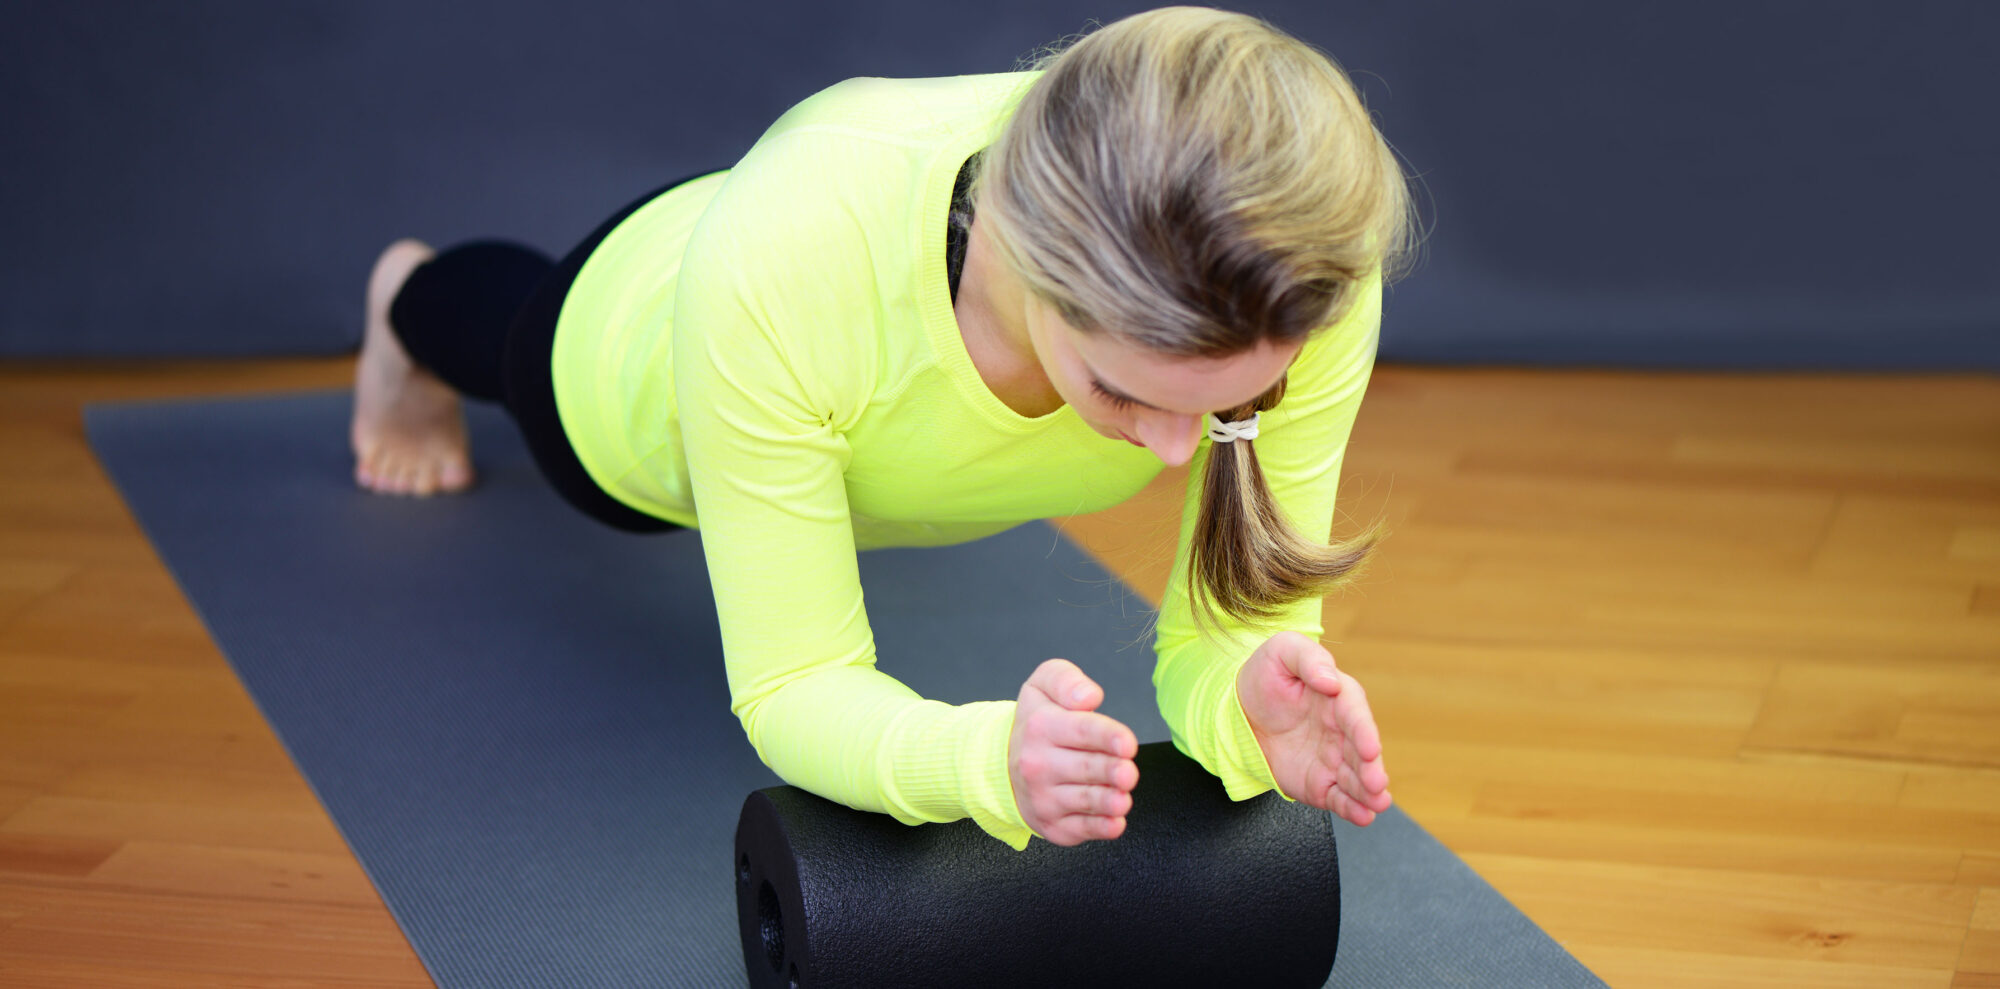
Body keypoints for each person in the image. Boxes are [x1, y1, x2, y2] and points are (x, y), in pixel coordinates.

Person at [349, 6, 1414, 850]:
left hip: (811, 303)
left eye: (1232, 405)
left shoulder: (1298, 270)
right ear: (1014, 249)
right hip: (636, 354)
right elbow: (792, 686)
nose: (1178, 453)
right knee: (504, 338)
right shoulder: (782, 265)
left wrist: (1246, 709)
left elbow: (1228, 625)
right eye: (1124, 395)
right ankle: (405, 298)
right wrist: (982, 760)